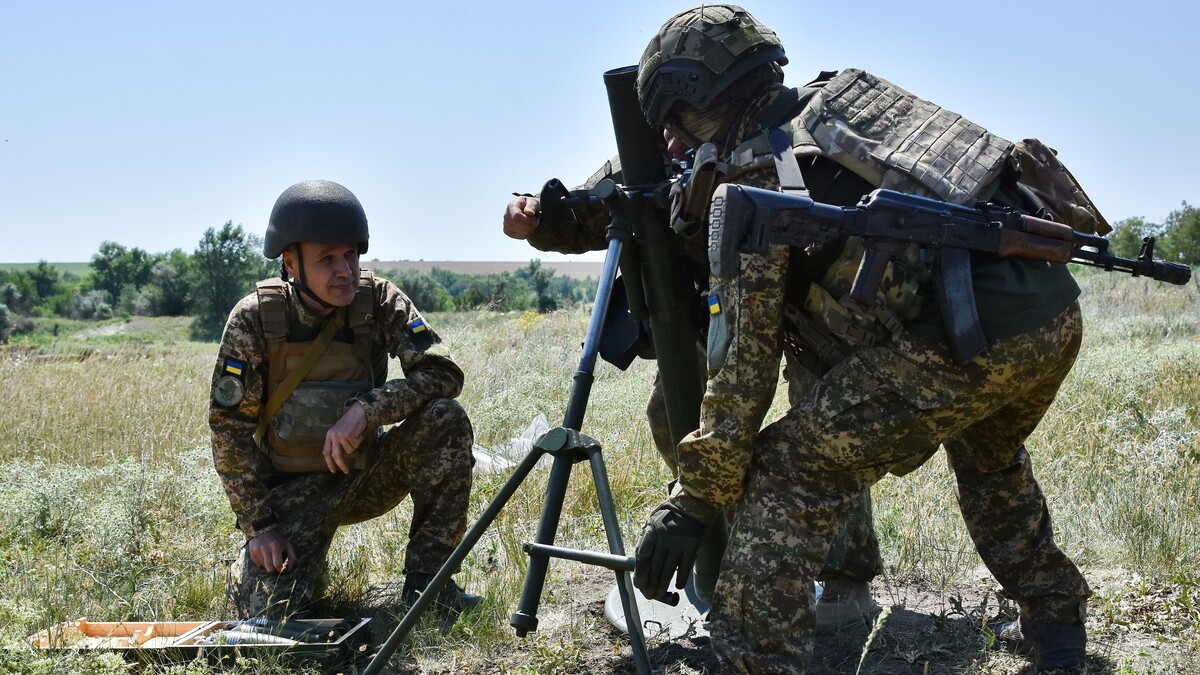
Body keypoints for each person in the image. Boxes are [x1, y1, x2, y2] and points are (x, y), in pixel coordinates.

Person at [625, 5, 1096, 674]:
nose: (672, 143)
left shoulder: (757, 175)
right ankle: (1055, 617)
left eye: (674, 121)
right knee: (989, 458)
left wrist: (691, 503)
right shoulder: (840, 105)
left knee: (788, 466)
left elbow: (743, 375)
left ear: (699, 96)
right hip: (1049, 314)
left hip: (965, 338)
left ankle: (753, 655)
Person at [503, 125, 882, 629]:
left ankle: (845, 580)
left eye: (681, 121)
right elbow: (586, 216)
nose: (671, 137)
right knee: (672, 414)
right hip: (724, 308)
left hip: (809, 307)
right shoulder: (650, 158)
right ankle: (719, 553)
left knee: (822, 427)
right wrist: (534, 216)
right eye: (662, 124)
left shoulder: (778, 141)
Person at [210, 179, 481, 619]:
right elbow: (229, 430)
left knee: (444, 419)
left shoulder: (378, 301)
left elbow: (442, 371)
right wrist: (258, 527)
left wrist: (367, 410)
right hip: (292, 493)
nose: (346, 271)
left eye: (351, 255)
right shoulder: (255, 319)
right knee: (273, 621)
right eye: (328, 259)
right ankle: (301, 572)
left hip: (367, 474)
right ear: (291, 263)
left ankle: (429, 586)